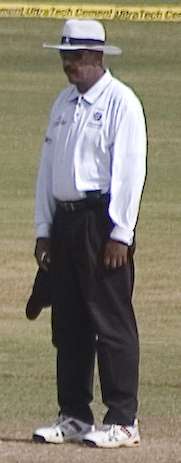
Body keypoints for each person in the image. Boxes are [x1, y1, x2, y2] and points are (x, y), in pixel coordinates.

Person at [32, 19, 147, 448]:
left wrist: (122, 231)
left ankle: (122, 419)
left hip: (101, 223)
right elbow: (48, 171)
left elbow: (130, 171)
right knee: (70, 322)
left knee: (111, 321)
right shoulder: (63, 103)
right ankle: (75, 415)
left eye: (77, 56)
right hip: (64, 223)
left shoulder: (122, 103)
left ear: (97, 57)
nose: (70, 65)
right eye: (65, 56)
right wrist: (44, 229)